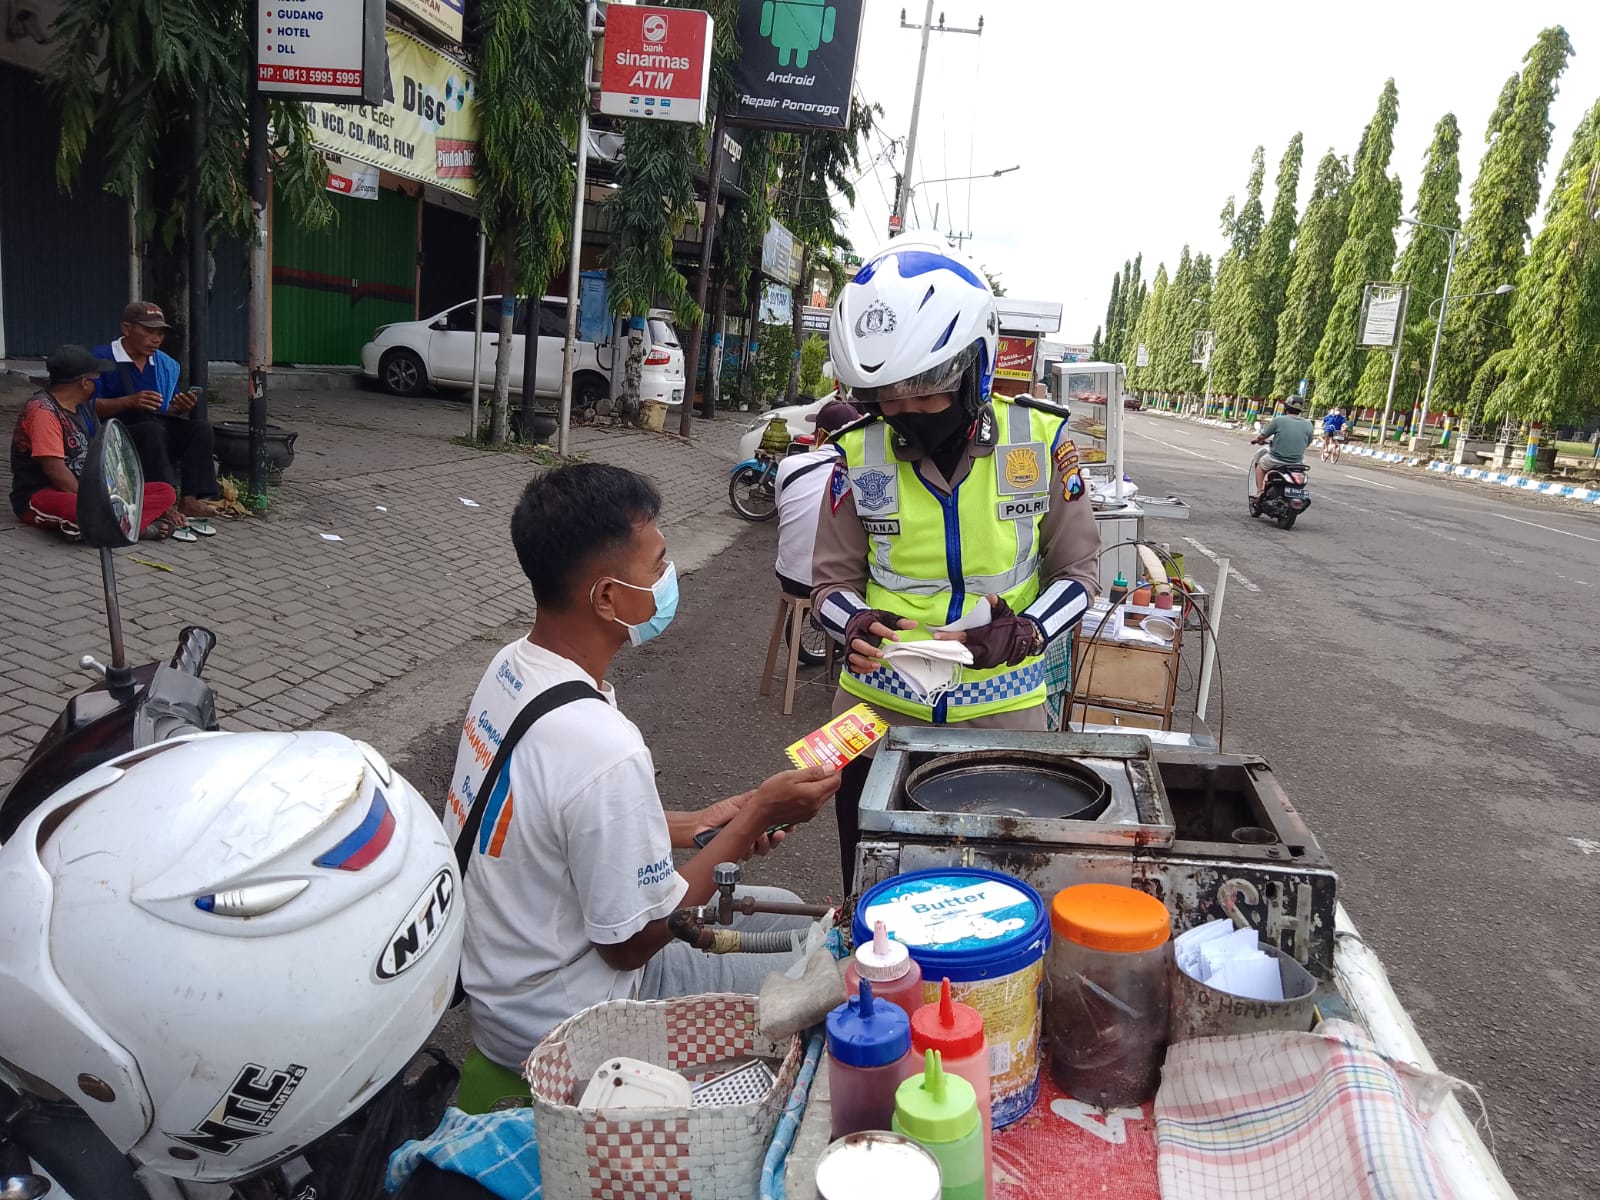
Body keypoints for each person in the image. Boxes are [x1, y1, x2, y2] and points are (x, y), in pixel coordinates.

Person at [443, 463, 841, 1102]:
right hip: (571, 1018)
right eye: (656, 565)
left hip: (505, 984)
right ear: (605, 598)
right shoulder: (604, 746)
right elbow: (632, 946)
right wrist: (751, 820)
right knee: (814, 968)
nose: (666, 578)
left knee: (772, 899)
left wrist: (703, 824)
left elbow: (560, 822)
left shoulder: (513, 670)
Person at [811, 235, 1102, 888]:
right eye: (887, 398)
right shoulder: (854, 453)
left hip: (1002, 717)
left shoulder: (1043, 440)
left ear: (976, 369)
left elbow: (1081, 574)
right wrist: (853, 625)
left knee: (993, 895)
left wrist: (1026, 630)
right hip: (870, 717)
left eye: (926, 395)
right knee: (870, 894)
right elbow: (829, 583)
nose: (905, 415)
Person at [9, 345, 176, 539]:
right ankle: (138, 528)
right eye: (97, 376)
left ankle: (114, 523)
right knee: (79, 511)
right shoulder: (42, 411)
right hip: (44, 493)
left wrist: (115, 493)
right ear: (84, 383)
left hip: (90, 489)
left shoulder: (86, 407)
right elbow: (56, 472)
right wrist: (97, 502)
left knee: (165, 492)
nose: (99, 382)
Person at [91, 300, 220, 541]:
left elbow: (164, 410)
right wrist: (128, 401)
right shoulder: (101, 358)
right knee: (152, 431)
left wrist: (178, 408)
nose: (156, 338)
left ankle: (190, 499)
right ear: (126, 329)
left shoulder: (163, 364)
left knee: (199, 429)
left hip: (153, 428)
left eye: (160, 332)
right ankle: (163, 503)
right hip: (114, 433)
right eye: (149, 331)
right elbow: (88, 406)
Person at [773, 398, 861, 597]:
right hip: (838, 586)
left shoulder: (789, 465)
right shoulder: (861, 471)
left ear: (820, 435)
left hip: (789, 576)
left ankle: (791, 628)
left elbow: (781, 509)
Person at [1252, 395, 1315, 495]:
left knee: (1260, 466)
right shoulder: (1308, 424)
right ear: (1300, 410)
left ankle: (1259, 492)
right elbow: (1308, 442)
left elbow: (1262, 437)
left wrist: (1257, 440)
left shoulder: (1279, 420)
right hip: (1297, 462)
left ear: (1286, 408)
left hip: (1276, 459)